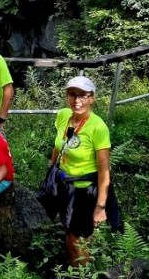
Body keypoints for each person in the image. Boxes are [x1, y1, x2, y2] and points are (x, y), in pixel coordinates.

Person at [46, 76, 117, 266]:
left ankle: (81, 273)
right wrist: (51, 169)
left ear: (92, 98)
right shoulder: (63, 116)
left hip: (84, 191)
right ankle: (72, 269)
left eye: (83, 96)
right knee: (69, 232)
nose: (77, 101)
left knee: (79, 239)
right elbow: (59, 144)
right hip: (64, 186)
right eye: (72, 95)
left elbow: (104, 172)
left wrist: (100, 207)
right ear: (67, 96)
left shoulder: (98, 128)